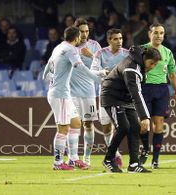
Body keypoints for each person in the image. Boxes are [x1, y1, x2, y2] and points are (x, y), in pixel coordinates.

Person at [42, 26, 105, 170]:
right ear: (76, 38)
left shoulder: (58, 47)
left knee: (76, 123)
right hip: (60, 95)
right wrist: (98, 79)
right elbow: (81, 68)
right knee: (63, 129)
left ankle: (73, 159)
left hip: (62, 93)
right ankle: (58, 162)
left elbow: (47, 67)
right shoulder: (71, 50)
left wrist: (46, 77)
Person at [101, 45, 161, 173]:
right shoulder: (131, 68)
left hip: (125, 98)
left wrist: (143, 117)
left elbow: (135, 93)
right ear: (145, 58)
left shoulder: (139, 63)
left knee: (135, 127)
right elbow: (136, 93)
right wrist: (145, 117)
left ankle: (134, 165)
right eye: (151, 63)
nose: (152, 67)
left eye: (155, 64)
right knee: (123, 127)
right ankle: (108, 159)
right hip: (112, 97)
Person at [139, 23, 176, 169]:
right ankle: (144, 151)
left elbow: (172, 73)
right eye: (156, 33)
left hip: (162, 90)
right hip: (144, 88)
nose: (158, 36)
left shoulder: (168, 52)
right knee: (144, 124)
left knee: (159, 123)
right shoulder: (142, 50)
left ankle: (155, 160)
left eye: (161, 33)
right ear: (149, 34)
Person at [66, 18, 102, 169]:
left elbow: (102, 66)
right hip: (71, 91)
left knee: (88, 124)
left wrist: (91, 56)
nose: (85, 34)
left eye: (87, 31)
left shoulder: (94, 46)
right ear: (76, 32)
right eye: (82, 31)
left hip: (88, 92)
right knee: (74, 124)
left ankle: (87, 157)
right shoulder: (68, 47)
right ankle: (72, 158)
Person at [91, 28, 130, 167]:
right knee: (106, 127)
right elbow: (93, 71)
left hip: (122, 95)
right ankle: (115, 154)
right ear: (109, 40)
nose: (119, 41)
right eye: (115, 39)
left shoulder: (127, 54)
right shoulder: (100, 53)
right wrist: (103, 72)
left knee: (121, 126)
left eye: (120, 38)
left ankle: (115, 155)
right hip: (106, 94)